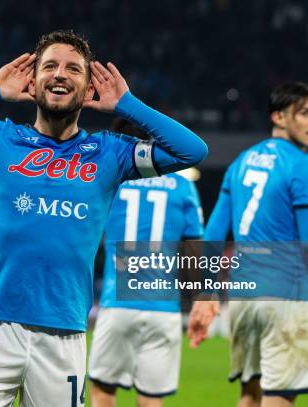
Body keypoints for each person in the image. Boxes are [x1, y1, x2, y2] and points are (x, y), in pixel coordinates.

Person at [0, 30, 207, 406]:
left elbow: (192, 150)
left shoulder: (111, 154)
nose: (60, 74)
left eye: (73, 69)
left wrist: (126, 104)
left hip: (63, 335)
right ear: (33, 79)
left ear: (89, 85)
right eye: (50, 66)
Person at [188, 82, 308, 407]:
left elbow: (213, 234)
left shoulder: (241, 162)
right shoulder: (303, 163)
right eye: (306, 112)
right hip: (286, 296)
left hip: (243, 299)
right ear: (279, 117)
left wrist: (207, 292)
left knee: (250, 395)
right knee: (280, 395)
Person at [88, 119, 204, 407]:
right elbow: (193, 249)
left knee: (103, 391)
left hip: (118, 303)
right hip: (164, 308)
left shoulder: (112, 180)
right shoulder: (182, 184)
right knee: (152, 399)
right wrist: (200, 297)